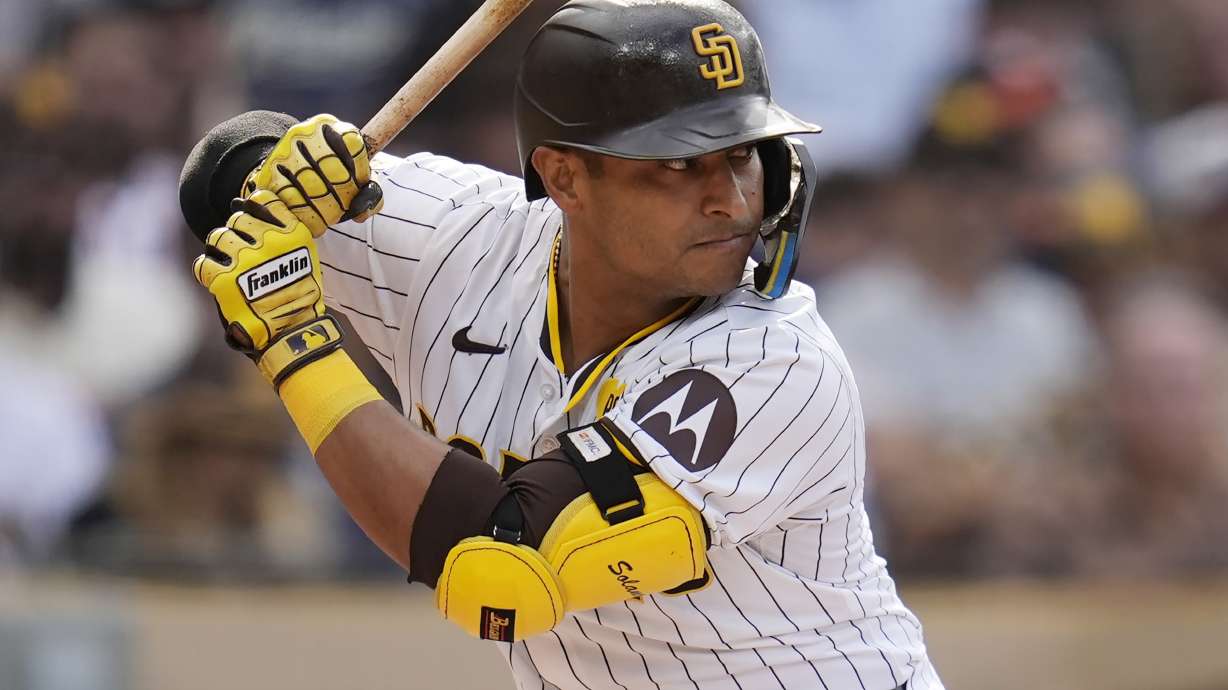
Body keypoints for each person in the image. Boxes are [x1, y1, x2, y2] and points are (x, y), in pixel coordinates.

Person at [177, 1, 942, 687]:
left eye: (743, 154)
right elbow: (220, 172)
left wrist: (294, 345)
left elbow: (505, 570)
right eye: (682, 163)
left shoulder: (777, 365)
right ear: (565, 178)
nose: (732, 199)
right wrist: (282, 170)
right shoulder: (461, 239)